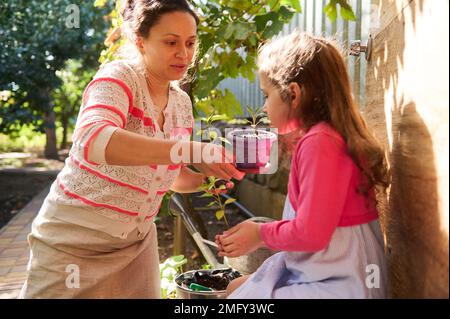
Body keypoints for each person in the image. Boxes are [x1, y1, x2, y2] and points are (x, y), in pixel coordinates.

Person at [19, 0, 244, 299]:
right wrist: (189, 150)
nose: (184, 53)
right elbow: (93, 140)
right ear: (140, 41)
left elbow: (170, 177)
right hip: (71, 244)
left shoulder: (181, 104)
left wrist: (208, 178)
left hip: (135, 247)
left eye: (190, 43)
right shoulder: (119, 77)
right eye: (171, 42)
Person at [216, 31, 390, 299]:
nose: (263, 107)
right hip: (329, 269)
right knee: (235, 288)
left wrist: (259, 233)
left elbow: (311, 233)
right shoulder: (325, 137)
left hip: (343, 285)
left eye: (266, 95)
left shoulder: (320, 143)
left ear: (293, 94)